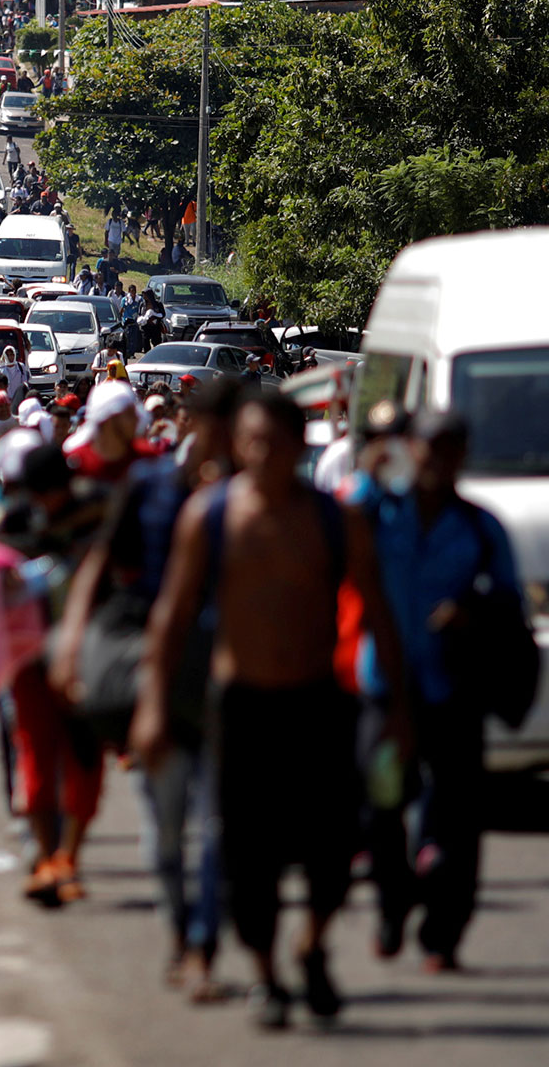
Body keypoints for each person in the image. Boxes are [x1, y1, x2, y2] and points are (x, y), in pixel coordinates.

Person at [137, 390, 404, 1029]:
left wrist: (398, 705)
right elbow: (171, 618)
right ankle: (265, 974)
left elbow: (380, 615)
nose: (261, 454)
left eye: (275, 443)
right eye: (250, 442)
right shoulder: (212, 515)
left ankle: (312, 943)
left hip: (317, 703)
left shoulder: (337, 520)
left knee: (332, 846)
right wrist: (152, 708)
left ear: (299, 447)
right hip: (243, 706)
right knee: (246, 852)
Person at [51, 377, 240, 1001]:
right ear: (186, 427)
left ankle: (203, 949)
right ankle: (182, 934)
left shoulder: (263, 503)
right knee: (163, 828)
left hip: (231, 679)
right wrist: (75, 643)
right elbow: (100, 564)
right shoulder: (152, 488)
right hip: (150, 674)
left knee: (220, 827)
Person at [352, 411, 520, 972]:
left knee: (458, 820)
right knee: (380, 807)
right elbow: (339, 525)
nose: (437, 460)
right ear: (412, 451)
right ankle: (393, 906)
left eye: (450, 449)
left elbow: (507, 601)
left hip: (452, 692)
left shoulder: (479, 526)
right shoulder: (380, 509)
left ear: (461, 457)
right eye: (428, 448)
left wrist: (469, 611)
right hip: (385, 688)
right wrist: (368, 476)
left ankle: (443, 934)